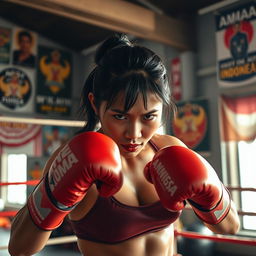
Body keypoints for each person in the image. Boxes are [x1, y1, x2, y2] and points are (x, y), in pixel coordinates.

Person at [8, 34, 240, 256]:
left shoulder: (168, 148)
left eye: (149, 117)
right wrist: (54, 193)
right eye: (120, 116)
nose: (134, 133)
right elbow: (20, 248)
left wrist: (212, 191)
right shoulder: (77, 157)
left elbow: (229, 228)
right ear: (95, 103)